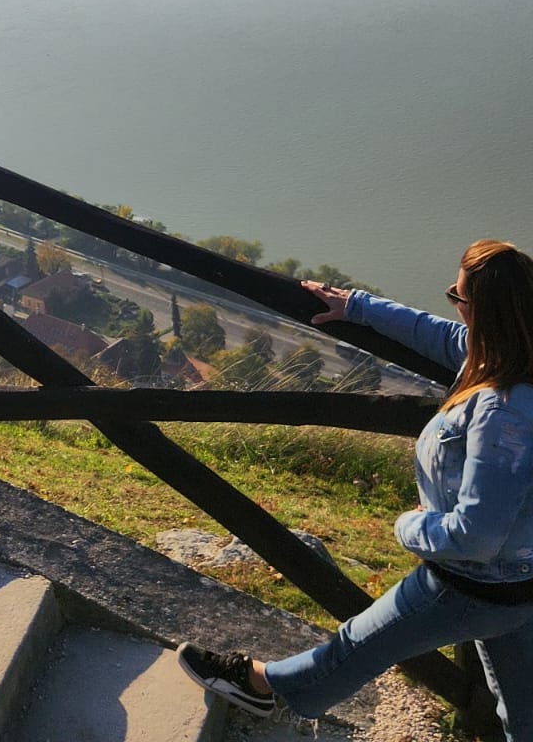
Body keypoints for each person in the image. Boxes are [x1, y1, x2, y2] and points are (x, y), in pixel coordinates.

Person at [176, 240, 533, 740]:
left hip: (473, 583)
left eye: (458, 296)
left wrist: (410, 525)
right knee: (527, 711)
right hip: (520, 580)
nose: (452, 304)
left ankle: (262, 687)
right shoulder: (512, 353)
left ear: (485, 311)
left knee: (356, 645)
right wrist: (359, 307)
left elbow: (476, 536)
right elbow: (439, 334)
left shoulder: (503, 412)